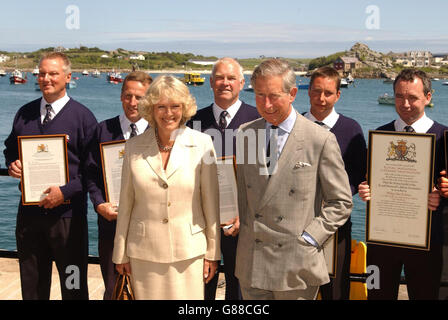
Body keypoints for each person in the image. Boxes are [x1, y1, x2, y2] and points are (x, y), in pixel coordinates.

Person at [234, 58, 353, 300]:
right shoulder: (245, 133)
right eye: (259, 95)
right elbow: (240, 191)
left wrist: (310, 238)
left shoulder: (319, 139)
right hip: (252, 262)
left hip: (295, 264)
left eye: (274, 96)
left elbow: (341, 202)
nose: (266, 104)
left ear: (292, 93)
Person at [112, 75, 221, 299]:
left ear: (185, 109)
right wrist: (120, 253)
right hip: (143, 254)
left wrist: (212, 253)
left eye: (175, 106)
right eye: (161, 106)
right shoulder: (133, 146)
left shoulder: (202, 144)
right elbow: (126, 204)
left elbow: (211, 205)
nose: (168, 113)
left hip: (189, 254)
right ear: (151, 109)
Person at [3, 52, 98, 300]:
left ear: (67, 77)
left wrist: (64, 192)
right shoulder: (24, 113)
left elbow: (93, 172)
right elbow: (11, 148)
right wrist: (12, 164)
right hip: (30, 216)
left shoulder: (83, 117)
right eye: (42, 73)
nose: (46, 78)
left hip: (68, 219)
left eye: (53, 73)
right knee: (32, 287)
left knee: (73, 288)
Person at [358, 68, 445, 300]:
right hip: (381, 242)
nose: (405, 104)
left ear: (428, 97)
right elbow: (370, 180)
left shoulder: (445, 137)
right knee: (376, 295)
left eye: (413, 97)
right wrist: (365, 190)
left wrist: (443, 197)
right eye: (399, 96)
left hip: (427, 244)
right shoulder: (379, 136)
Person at [187, 57, 259, 300]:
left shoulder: (260, 121)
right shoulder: (193, 121)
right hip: (202, 223)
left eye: (230, 78)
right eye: (219, 78)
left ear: (241, 83)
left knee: (238, 291)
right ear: (210, 82)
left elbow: (268, 175)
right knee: (200, 287)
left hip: (243, 224)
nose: (224, 83)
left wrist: (246, 214)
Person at [87, 71, 152, 300]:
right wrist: (98, 204)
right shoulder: (103, 130)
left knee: (147, 290)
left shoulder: (158, 133)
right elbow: (91, 174)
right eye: (128, 96)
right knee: (114, 290)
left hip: (148, 227)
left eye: (139, 97)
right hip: (110, 225)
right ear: (121, 96)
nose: (133, 103)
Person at [304, 66, 367, 300]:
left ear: (338, 95)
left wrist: (332, 199)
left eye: (328, 93)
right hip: (299, 222)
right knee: (298, 285)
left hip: (336, 224)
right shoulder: (294, 125)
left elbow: (358, 174)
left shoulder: (351, 130)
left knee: (336, 288)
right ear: (308, 91)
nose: (321, 98)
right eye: (316, 91)